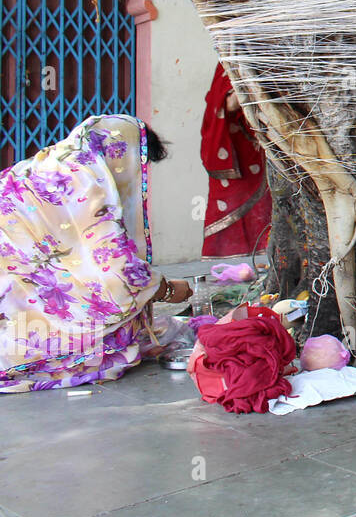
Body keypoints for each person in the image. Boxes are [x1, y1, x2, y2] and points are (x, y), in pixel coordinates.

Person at [0, 115, 192, 392]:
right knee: (106, 343)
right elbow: (116, 273)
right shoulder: (87, 184)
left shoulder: (51, 165)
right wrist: (166, 290)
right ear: (120, 155)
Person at [200, 63, 271, 257]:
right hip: (234, 148)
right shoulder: (228, 64)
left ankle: (263, 254)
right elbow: (228, 104)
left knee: (264, 204)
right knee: (228, 201)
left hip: (258, 148)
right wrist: (251, 84)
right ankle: (224, 255)